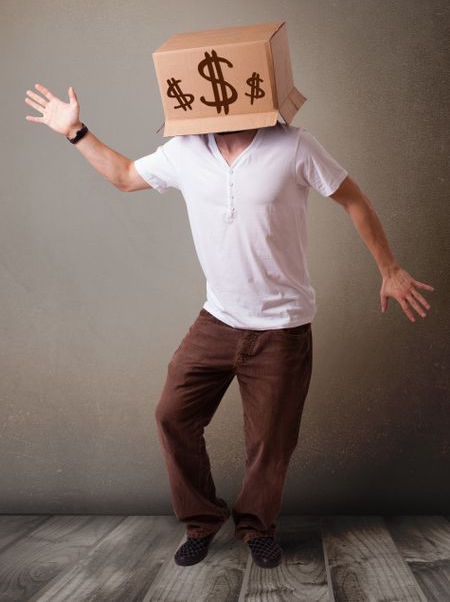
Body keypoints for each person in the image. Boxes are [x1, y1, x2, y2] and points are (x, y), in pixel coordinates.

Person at [24, 84, 434, 568]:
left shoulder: (295, 145)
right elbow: (125, 175)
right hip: (217, 320)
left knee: (270, 443)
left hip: (283, 328)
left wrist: (389, 269)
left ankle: (257, 528)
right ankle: (202, 521)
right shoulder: (185, 151)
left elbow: (353, 198)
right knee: (172, 415)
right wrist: (74, 131)